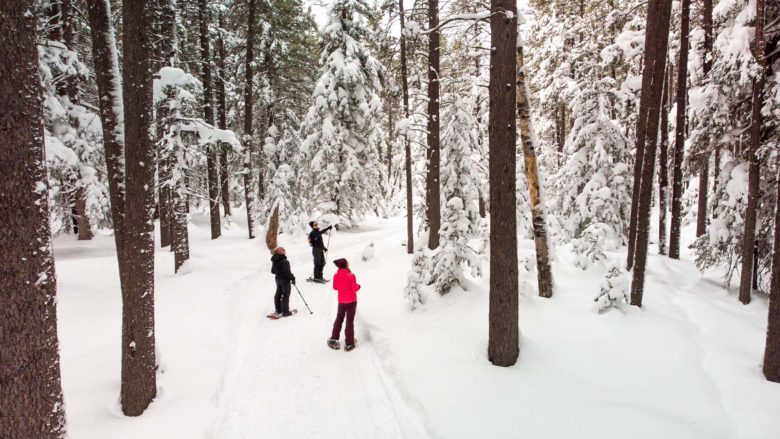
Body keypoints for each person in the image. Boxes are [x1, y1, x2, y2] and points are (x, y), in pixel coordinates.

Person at [328, 258, 361, 351]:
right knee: (349, 321)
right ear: (345, 264)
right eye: (347, 262)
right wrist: (358, 286)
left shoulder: (336, 275)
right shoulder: (351, 275)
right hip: (352, 301)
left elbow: (335, 287)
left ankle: (334, 338)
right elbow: (354, 289)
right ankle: (349, 343)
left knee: (339, 318)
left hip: (342, 301)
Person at [270, 247, 296, 318]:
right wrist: (293, 278)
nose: (285, 252)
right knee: (285, 295)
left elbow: (273, 271)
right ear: (280, 252)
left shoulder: (274, 260)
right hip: (284, 281)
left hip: (278, 280)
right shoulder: (285, 261)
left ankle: (278, 310)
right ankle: (285, 312)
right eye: (284, 251)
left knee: (278, 294)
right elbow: (287, 273)